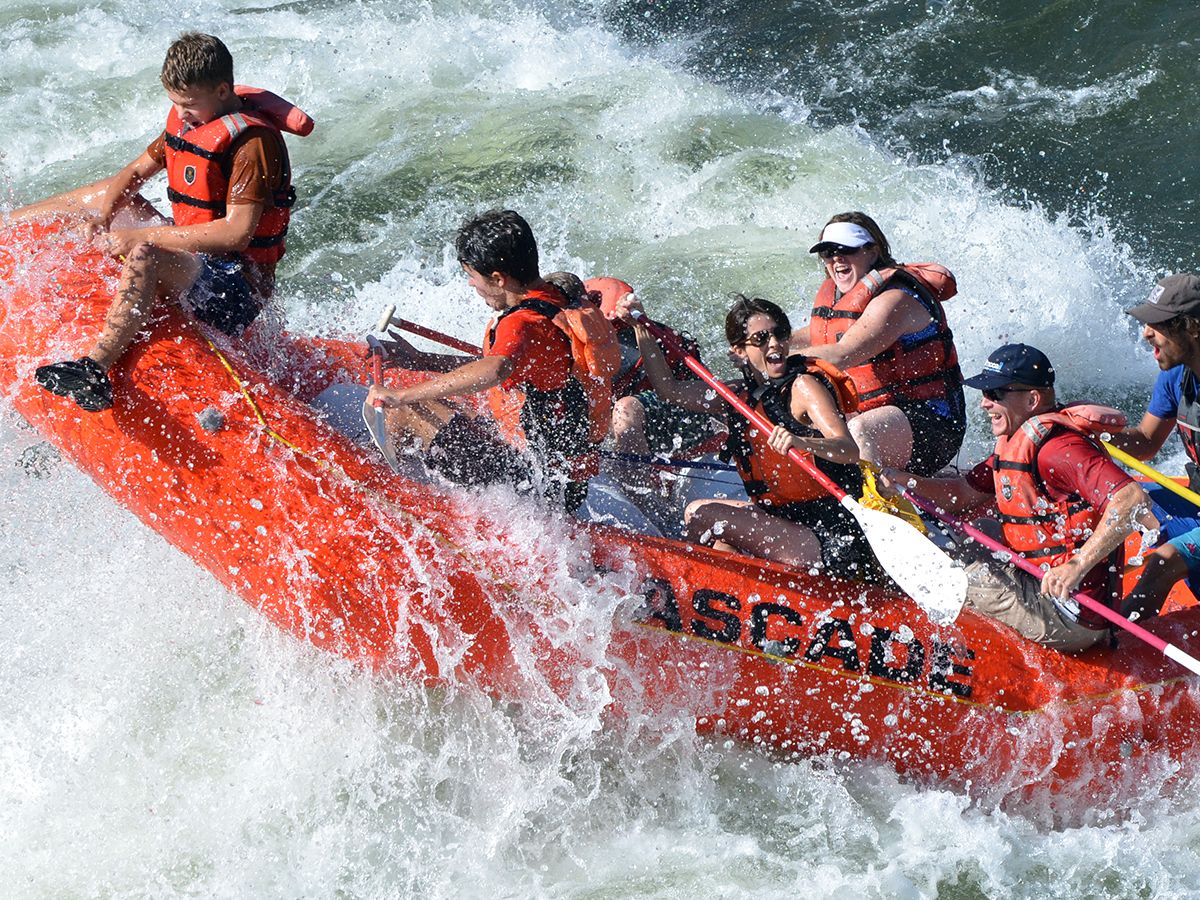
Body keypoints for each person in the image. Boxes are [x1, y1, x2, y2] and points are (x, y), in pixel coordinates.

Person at [16, 32, 311, 412]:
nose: (182, 114)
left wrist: (142, 235)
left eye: (188, 105)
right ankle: (7, 227)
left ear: (223, 91)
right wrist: (104, 217)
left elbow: (236, 234)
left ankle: (93, 371)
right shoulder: (193, 119)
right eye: (175, 103)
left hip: (237, 289)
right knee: (109, 196)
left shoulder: (252, 146)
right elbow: (136, 171)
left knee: (145, 254)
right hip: (200, 260)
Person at [880, 344, 1152, 652]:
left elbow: (1133, 500)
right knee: (980, 531)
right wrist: (907, 482)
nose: (984, 404)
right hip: (1043, 585)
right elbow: (963, 494)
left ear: (1032, 399)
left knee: (952, 577)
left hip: (1070, 613)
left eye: (995, 395)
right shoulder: (1019, 441)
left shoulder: (1059, 450)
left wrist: (1076, 566)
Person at [366, 210, 615, 514]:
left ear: (498, 279)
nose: (472, 285)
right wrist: (422, 360)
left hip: (534, 489)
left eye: (473, 276)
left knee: (407, 409)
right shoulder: (556, 299)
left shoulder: (522, 322)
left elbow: (496, 368)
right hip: (564, 485)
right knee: (457, 409)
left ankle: (373, 493)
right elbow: (504, 362)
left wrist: (399, 395)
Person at [613, 292, 874, 576]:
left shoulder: (803, 386)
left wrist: (802, 442)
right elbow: (669, 388)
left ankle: (675, 585)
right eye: (761, 339)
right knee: (718, 542)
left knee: (700, 514)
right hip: (785, 521)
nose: (774, 344)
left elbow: (848, 449)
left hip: (829, 534)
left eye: (779, 334)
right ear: (738, 352)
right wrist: (641, 328)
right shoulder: (737, 396)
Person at [791, 212, 966, 476]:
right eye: (827, 252)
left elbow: (842, 353)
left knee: (861, 429)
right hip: (878, 418)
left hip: (933, 428)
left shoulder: (896, 299)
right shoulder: (843, 297)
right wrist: (764, 343)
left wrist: (775, 358)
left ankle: (876, 506)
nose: (835, 258)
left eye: (844, 249)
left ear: (872, 251)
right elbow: (817, 334)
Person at [583, 276, 725, 535]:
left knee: (625, 410)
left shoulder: (658, 340)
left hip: (690, 428)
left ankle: (657, 519)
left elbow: (676, 392)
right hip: (645, 438)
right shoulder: (581, 346)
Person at [1108, 274, 1200, 620]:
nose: (1146, 333)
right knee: (1114, 499)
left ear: (1192, 327)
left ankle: (1118, 645)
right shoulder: (1177, 374)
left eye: (1157, 324)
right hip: (1196, 504)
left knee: (1163, 564)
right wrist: (1089, 435)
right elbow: (1145, 444)